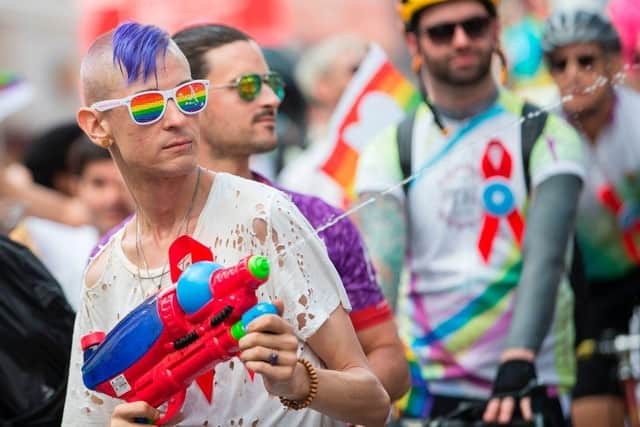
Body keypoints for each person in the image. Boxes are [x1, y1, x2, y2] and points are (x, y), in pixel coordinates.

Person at [62, 22, 390, 427]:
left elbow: (375, 403)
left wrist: (299, 382)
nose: (176, 118)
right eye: (147, 105)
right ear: (96, 126)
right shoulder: (104, 273)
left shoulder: (262, 215)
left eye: (188, 96)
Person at [355, 0, 585, 424]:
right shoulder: (389, 148)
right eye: (442, 32)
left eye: (474, 26)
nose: (461, 40)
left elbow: (547, 260)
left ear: (496, 30)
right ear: (414, 43)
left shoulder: (546, 132)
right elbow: (380, 279)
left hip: (527, 380)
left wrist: (518, 359)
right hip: (428, 389)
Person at [172, 23, 410, 403]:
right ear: (188, 101)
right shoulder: (134, 242)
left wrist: (307, 394)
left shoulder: (318, 220)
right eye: (247, 87)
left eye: (271, 84)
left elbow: (390, 365)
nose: (270, 99)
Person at [543, 7, 640, 427]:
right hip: (586, 294)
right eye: (560, 64)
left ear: (613, 64)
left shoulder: (637, 120)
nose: (573, 75)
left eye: (586, 61)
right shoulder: (544, 133)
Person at [10, 137, 133, 310]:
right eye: (98, 184)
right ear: (75, 186)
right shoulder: (56, 241)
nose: (111, 198)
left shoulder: (164, 240)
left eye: (123, 182)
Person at [278, 34, 369, 208]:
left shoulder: (401, 143)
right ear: (322, 87)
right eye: (356, 69)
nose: (371, 75)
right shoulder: (301, 175)